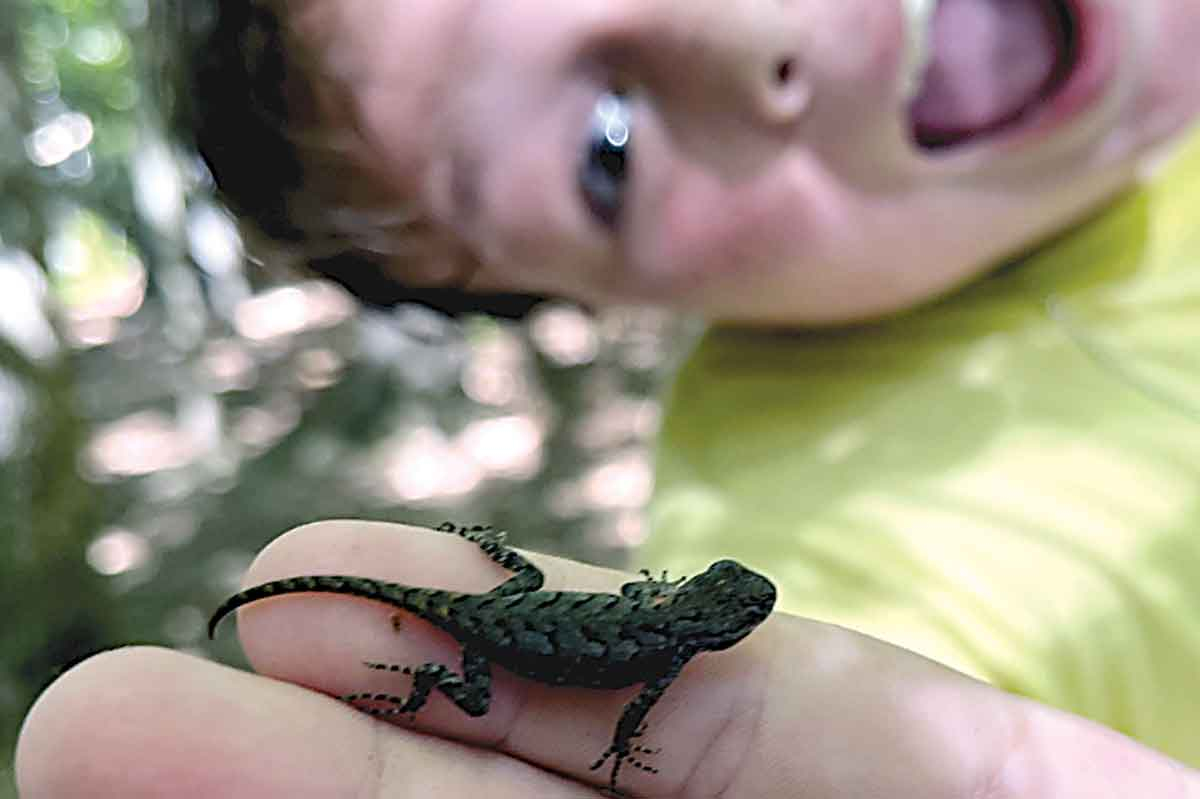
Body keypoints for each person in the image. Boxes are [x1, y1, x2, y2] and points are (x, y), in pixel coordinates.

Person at [17, 0, 1200, 794]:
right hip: (504, 631)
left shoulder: (663, 630)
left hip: (520, 619)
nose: (752, 31)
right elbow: (656, 734)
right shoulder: (725, 602)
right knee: (466, 657)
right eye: (610, 148)